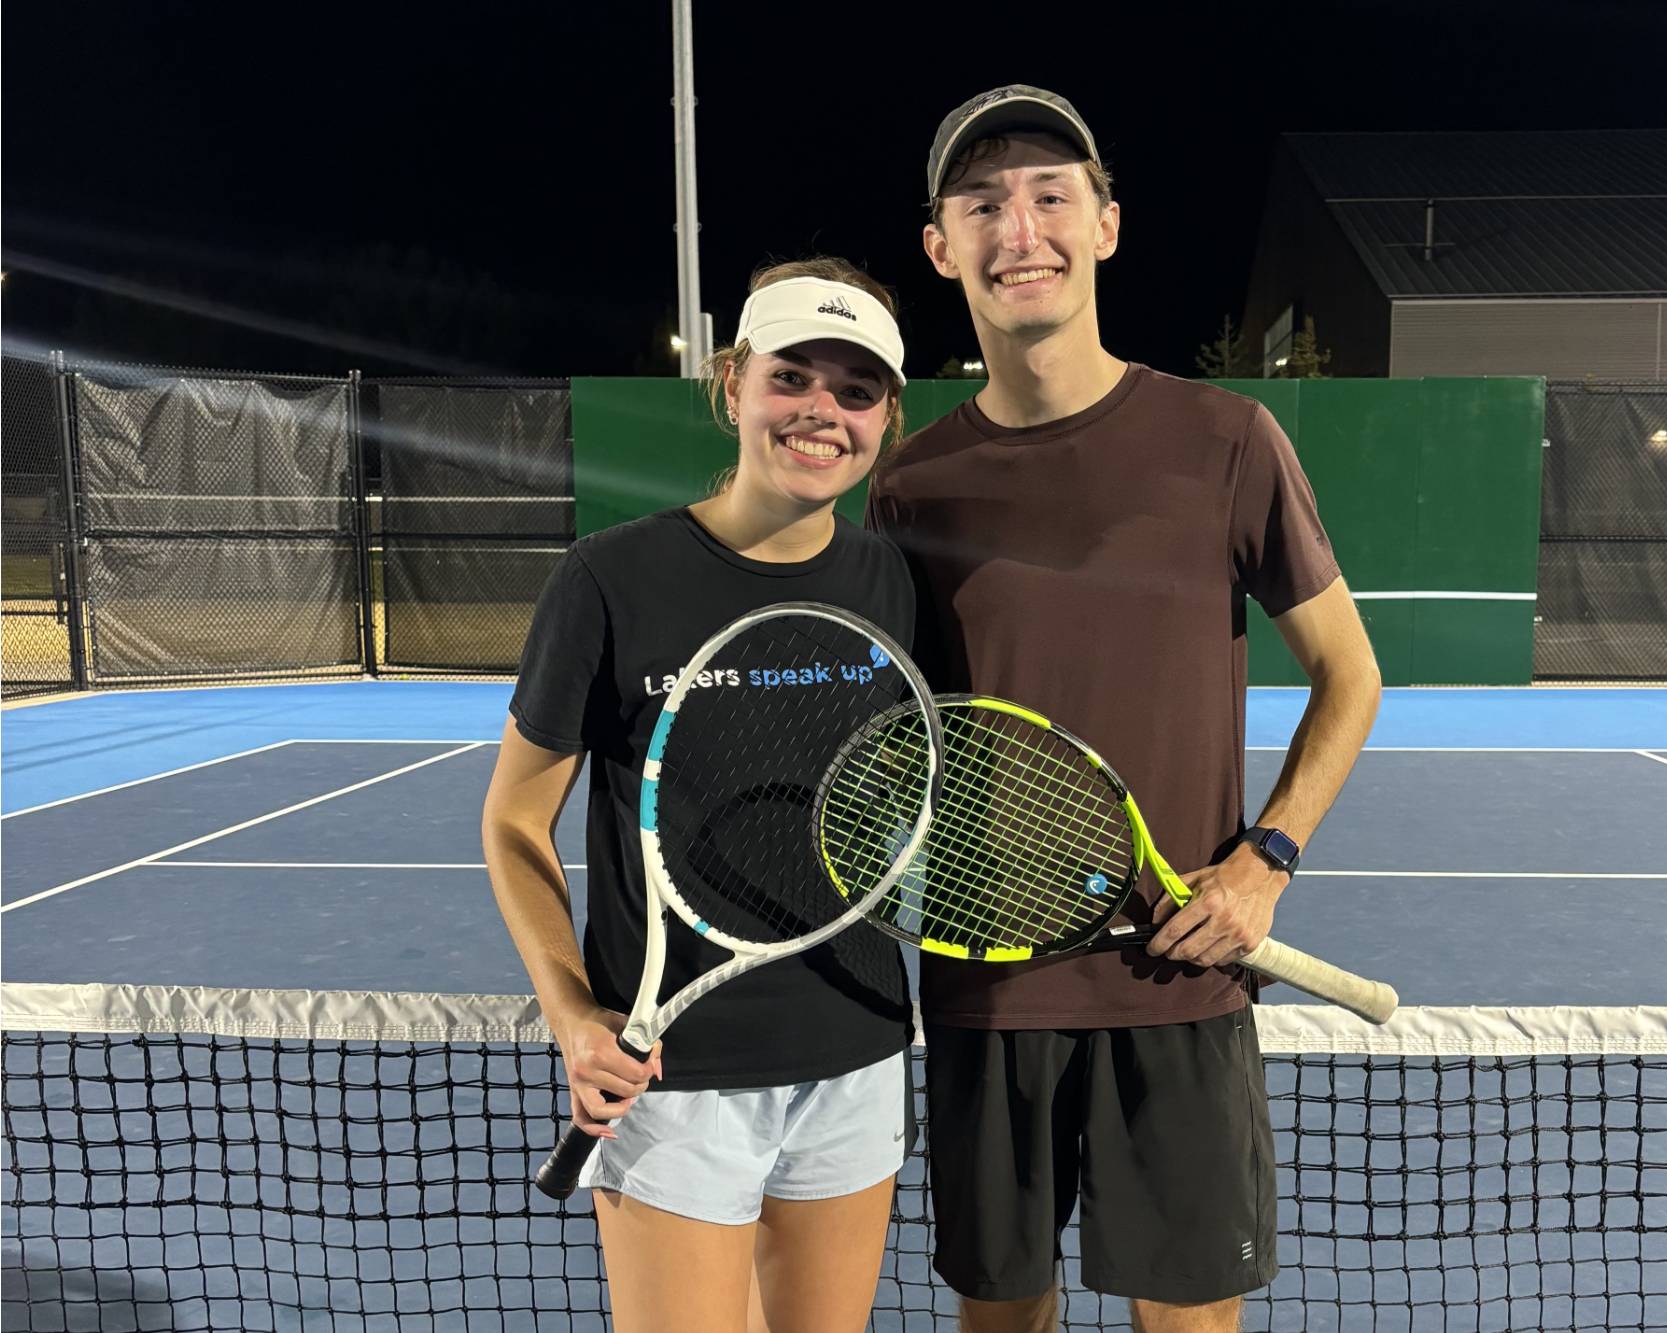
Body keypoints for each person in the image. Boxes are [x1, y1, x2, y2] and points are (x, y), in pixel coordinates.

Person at [865, 87, 1384, 1332]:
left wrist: (1264, 860)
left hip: (1180, 983)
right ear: (941, 248)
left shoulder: (1226, 439)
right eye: (982, 203)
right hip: (985, 994)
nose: (1019, 228)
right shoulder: (906, 484)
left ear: (1106, 224)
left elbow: (1347, 675)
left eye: (1051, 195)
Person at [484, 258, 915, 1333]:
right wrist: (570, 1012)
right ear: (732, 384)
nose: (821, 411)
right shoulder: (608, 579)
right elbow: (511, 819)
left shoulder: (893, 584)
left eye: (855, 389)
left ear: (885, 418)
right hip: (674, 1076)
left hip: (855, 1049)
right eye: (792, 376)